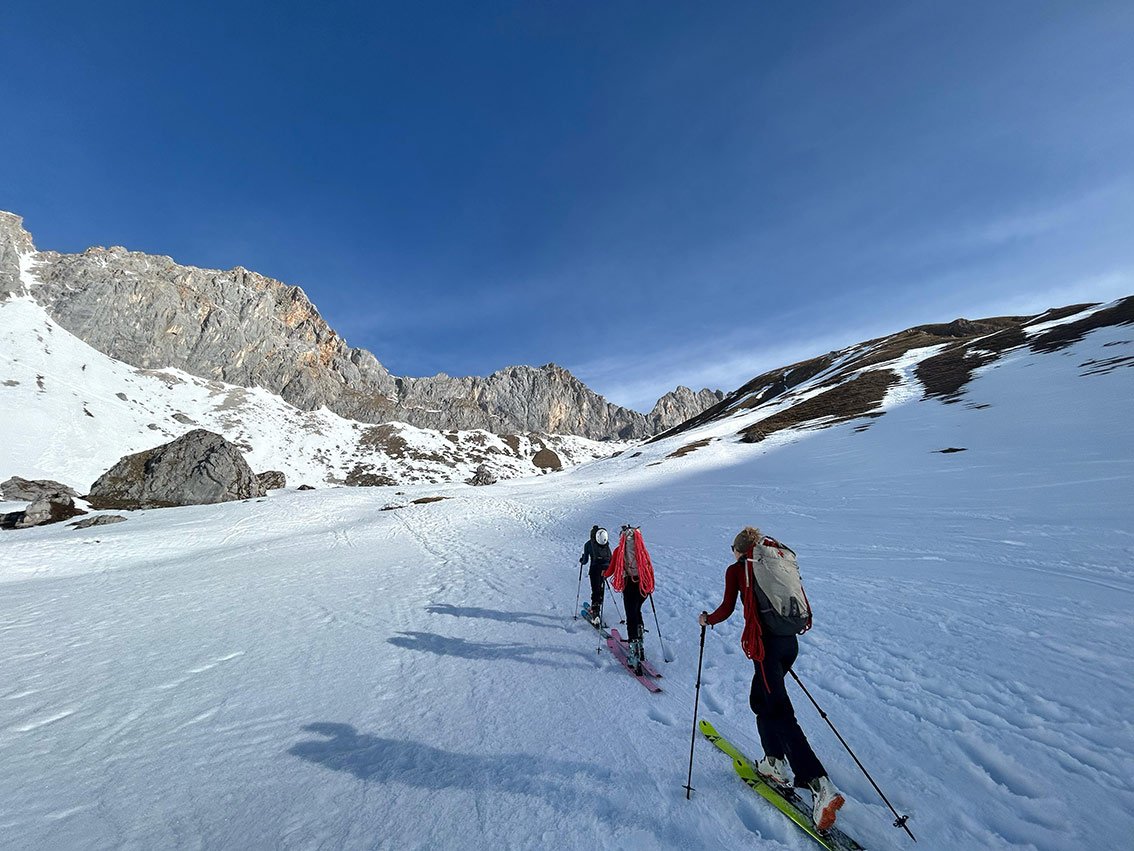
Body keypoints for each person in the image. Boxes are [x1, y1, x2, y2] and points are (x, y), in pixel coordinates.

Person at [698, 526, 845, 832]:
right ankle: (774, 762)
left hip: (766, 648)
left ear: (739, 550)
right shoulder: (773, 563)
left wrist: (706, 619)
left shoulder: (738, 569)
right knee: (761, 701)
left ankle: (820, 784)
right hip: (789, 644)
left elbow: (726, 608)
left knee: (779, 712)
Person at [604, 525, 655, 673]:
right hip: (643, 586)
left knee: (631, 616)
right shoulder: (642, 551)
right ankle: (640, 646)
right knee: (637, 612)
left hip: (629, 585)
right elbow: (649, 568)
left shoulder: (619, 551)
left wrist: (604, 575)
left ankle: (633, 652)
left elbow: (611, 569)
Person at [579, 526, 612, 627]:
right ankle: (598, 606)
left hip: (595, 570)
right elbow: (610, 558)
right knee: (600, 589)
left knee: (595, 590)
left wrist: (582, 560)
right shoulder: (605, 543)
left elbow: (585, 561)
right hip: (605, 570)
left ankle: (595, 613)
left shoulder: (588, 544)